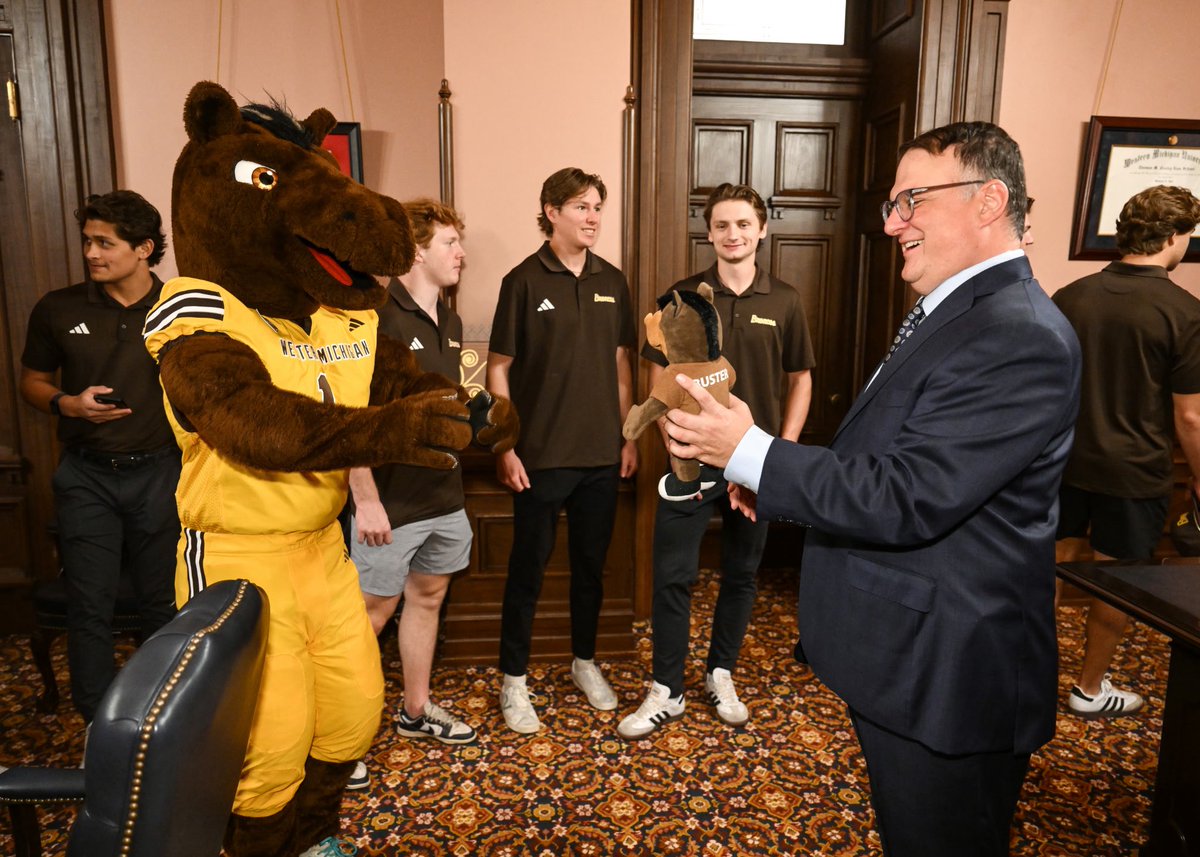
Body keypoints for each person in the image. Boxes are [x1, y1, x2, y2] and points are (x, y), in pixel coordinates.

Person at [662, 122, 1080, 857]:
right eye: (892, 204)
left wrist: (755, 453)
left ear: (989, 199)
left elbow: (910, 493)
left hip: (950, 673)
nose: (892, 223)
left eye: (910, 199)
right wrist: (773, 482)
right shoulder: (961, 312)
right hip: (911, 660)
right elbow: (889, 454)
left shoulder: (1019, 333)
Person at [617, 183, 815, 740]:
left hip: (754, 462)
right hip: (688, 460)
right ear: (710, 233)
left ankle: (720, 672)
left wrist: (783, 453)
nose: (734, 235)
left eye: (744, 225)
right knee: (672, 575)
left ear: (762, 231)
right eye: (723, 226)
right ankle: (667, 689)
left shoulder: (786, 300)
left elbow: (801, 379)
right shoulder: (680, 296)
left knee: (741, 573)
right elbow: (659, 377)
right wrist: (674, 437)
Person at [19, 190, 181, 729]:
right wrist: (67, 403)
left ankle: (165, 721)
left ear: (144, 248)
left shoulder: (182, 310)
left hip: (162, 472)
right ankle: (99, 724)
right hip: (86, 476)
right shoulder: (58, 307)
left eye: (104, 242)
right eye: (87, 240)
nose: (90, 252)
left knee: (164, 605)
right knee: (91, 607)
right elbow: (32, 382)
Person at [487, 167, 638, 734]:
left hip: (602, 452)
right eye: (580, 206)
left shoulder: (613, 280)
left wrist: (627, 436)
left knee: (591, 571)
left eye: (598, 206)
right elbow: (497, 368)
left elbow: (623, 363)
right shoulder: (522, 281)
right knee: (526, 570)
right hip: (541, 454)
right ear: (551, 210)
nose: (593, 216)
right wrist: (505, 445)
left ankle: (584, 661)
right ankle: (514, 680)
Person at [1053, 184, 1200, 718]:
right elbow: (1191, 416)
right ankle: (1089, 690)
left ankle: (1026, 674)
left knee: (1051, 565)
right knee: (1116, 581)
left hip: (1062, 462)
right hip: (1134, 473)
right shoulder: (1185, 312)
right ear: (1174, 237)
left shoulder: (1070, 296)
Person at [346, 200, 478, 790]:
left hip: (443, 495)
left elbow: (455, 401)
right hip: (389, 501)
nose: (461, 254)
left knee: (427, 599)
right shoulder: (375, 317)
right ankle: (336, 743)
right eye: (450, 243)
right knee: (368, 616)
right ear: (416, 250)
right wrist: (365, 496)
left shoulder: (450, 321)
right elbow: (348, 414)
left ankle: (415, 712)